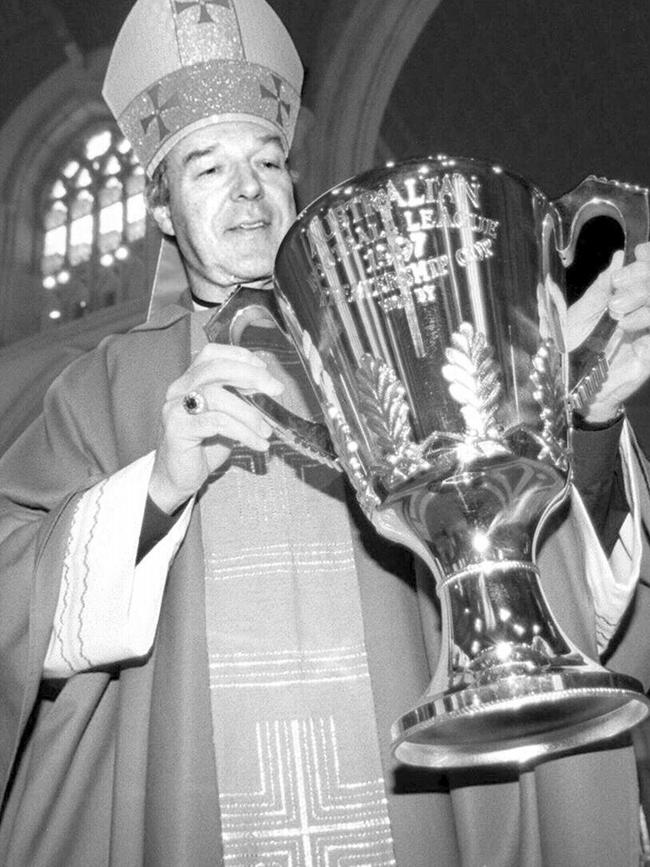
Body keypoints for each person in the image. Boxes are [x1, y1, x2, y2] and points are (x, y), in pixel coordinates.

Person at [1, 1, 650, 865]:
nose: (248, 189)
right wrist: (153, 491)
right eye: (208, 168)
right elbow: (15, 588)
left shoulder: (395, 348)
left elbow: (540, 583)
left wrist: (591, 425)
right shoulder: (100, 388)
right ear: (160, 208)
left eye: (268, 161)